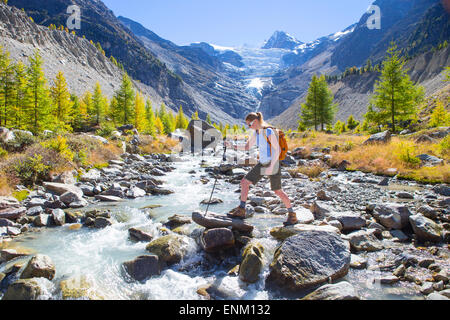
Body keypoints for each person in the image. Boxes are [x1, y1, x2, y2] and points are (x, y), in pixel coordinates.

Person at [224, 112, 299, 226]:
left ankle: (292, 215)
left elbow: (277, 150)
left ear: (257, 120)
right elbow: (246, 147)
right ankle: (241, 210)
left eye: (251, 124)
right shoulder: (256, 133)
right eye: (248, 125)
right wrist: (232, 146)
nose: (250, 127)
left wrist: (270, 166)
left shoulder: (269, 131)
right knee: (244, 182)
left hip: (273, 163)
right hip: (262, 163)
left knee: (277, 190)